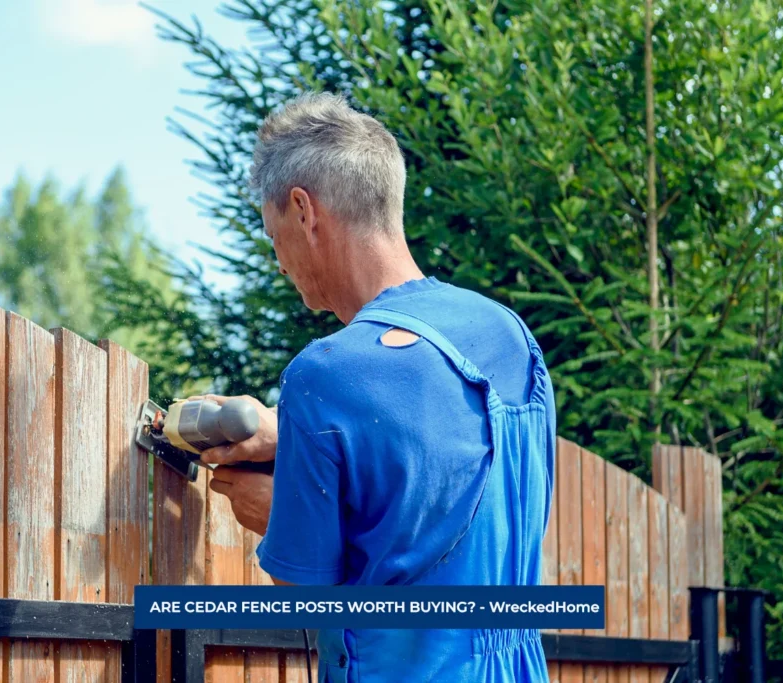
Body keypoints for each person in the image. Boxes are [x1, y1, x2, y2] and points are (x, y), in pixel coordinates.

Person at [199, 91, 555, 683]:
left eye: (272, 235)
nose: (279, 264)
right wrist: (288, 440)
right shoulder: (509, 336)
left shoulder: (326, 377)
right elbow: (442, 459)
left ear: (304, 210)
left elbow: (310, 593)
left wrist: (280, 511)